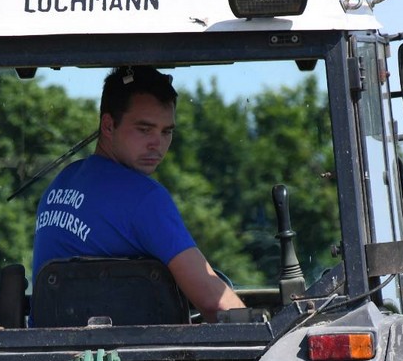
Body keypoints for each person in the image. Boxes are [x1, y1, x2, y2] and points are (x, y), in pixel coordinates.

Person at [32, 66, 245, 322]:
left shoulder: (61, 183)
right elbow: (215, 302)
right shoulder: (145, 199)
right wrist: (265, 331)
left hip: (48, 352)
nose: (158, 144)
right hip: (130, 357)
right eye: (145, 129)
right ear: (108, 126)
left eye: (167, 131)